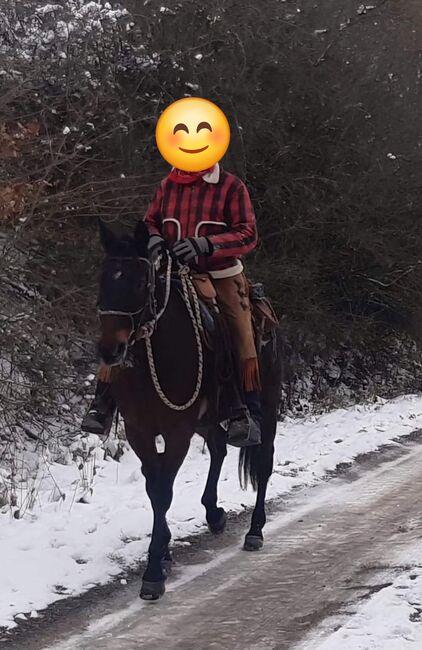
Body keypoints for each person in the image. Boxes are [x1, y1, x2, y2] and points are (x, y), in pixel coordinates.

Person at [82, 162, 262, 446]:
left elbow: (247, 233)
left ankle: (243, 410)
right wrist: (153, 238)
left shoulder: (231, 186)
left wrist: (206, 244)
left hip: (219, 272)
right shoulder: (169, 184)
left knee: (238, 328)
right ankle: (102, 400)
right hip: (170, 269)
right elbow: (151, 220)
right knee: (129, 316)